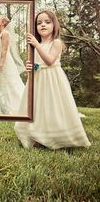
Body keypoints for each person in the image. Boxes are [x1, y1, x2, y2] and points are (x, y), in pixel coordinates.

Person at [15, 10, 91, 149]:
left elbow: (49, 61)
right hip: (38, 80)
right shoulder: (35, 45)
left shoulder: (56, 42)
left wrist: (36, 45)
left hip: (52, 80)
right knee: (39, 107)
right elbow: (37, 64)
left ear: (54, 25)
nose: (43, 25)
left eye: (47, 22)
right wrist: (30, 66)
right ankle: (38, 135)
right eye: (39, 23)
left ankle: (56, 136)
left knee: (52, 107)